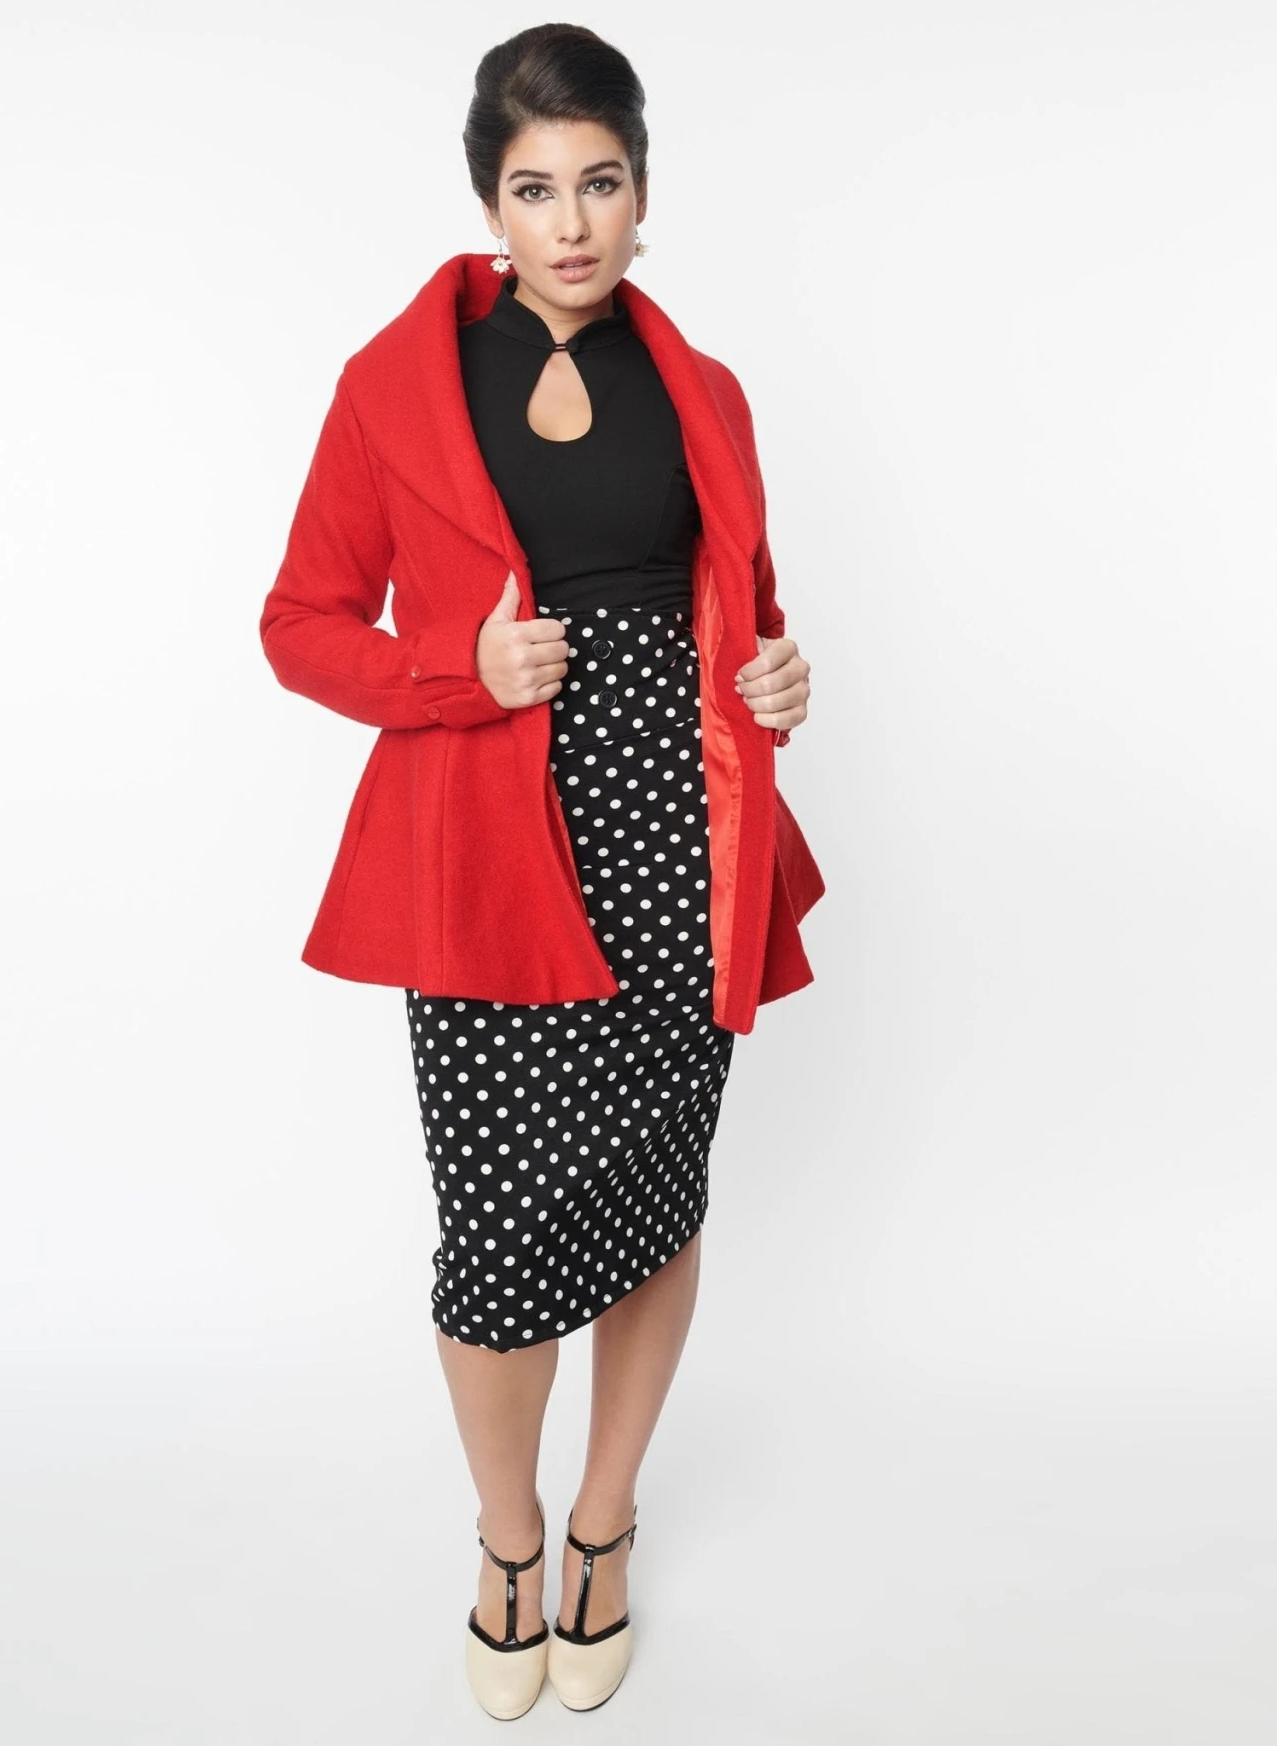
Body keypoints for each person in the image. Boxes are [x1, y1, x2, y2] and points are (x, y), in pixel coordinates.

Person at [259, 23, 819, 1720]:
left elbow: (743, 608)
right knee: (498, 1236)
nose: (570, 221)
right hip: (490, 864)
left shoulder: (705, 391)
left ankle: (602, 1525)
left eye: (600, 181)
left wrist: (776, 673)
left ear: (643, 192)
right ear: (488, 205)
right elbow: (299, 624)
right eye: (533, 188)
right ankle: (508, 1539)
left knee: (654, 1196)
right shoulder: (394, 388)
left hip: (679, 843)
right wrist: (458, 670)